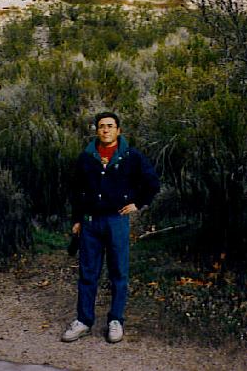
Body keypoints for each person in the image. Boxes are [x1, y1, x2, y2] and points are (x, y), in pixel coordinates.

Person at [62, 111, 160, 344]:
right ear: (96, 130)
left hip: (116, 221)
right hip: (90, 222)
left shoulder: (131, 156)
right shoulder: (86, 157)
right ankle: (84, 320)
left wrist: (138, 203)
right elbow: (76, 190)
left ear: (118, 130)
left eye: (110, 126)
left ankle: (116, 320)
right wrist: (76, 219)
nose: (106, 130)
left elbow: (152, 182)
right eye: (102, 126)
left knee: (118, 272)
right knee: (88, 274)